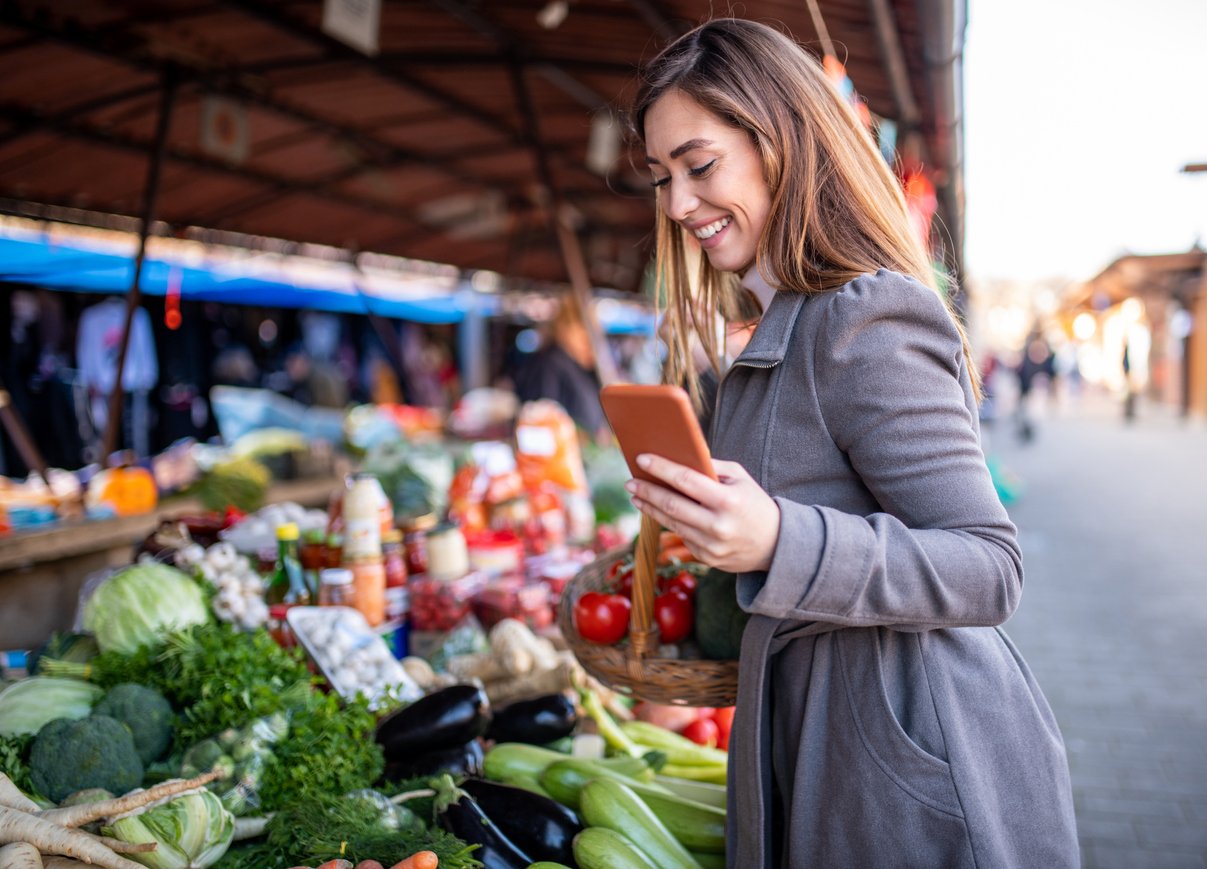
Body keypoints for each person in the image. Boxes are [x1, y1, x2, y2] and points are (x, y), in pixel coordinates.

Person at [622, 19, 1077, 868]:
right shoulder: (784, 322)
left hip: (906, 762)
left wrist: (776, 539)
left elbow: (988, 565)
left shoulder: (863, 315)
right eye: (662, 177)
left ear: (781, 142)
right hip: (834, 739)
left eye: (699, 165)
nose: (677, 203)